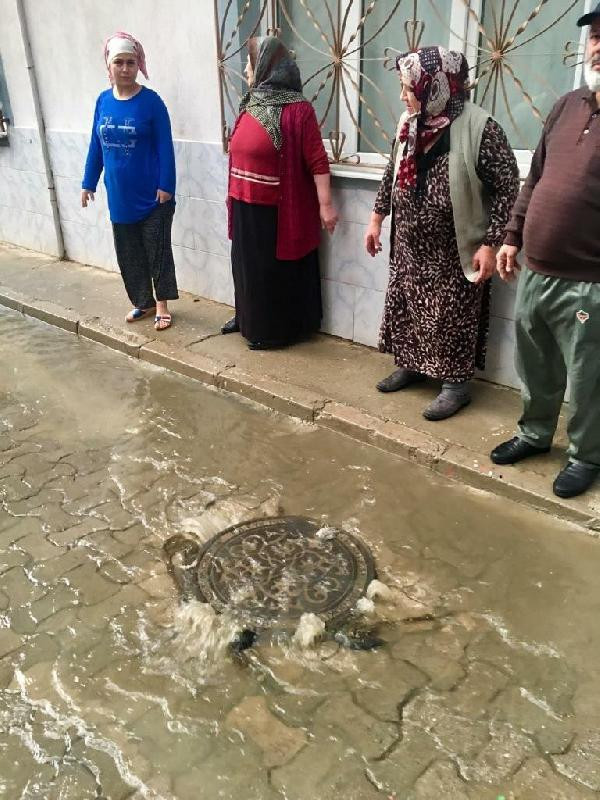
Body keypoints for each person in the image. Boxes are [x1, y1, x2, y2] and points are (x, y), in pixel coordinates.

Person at [365, 46, 519, 420]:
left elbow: (508, 185)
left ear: (435, 86)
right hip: (410, 245)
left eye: (408, 88)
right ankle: (412, 364)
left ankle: (454, 385)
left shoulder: (481, 128)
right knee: (408, 305)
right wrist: (376, 217)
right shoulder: (409, 122)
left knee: (451, 315)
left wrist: (491, 242)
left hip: (455, 247)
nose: (403, 96)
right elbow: (392, 170)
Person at [491, 7, 600, 499]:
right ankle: (535, 434)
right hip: (536, 267)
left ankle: (586, 455)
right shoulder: (567, 104)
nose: (598, 45)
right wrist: (512, 237)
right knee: (535, 364)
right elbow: (534, 175)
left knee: (588, 377)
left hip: (589, 279)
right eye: (596, 37)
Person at [222, 36, 338, 350]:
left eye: (250, 63)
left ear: (267, 66)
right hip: (245, 200)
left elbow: (317, 160)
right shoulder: (251, 100)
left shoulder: (299, 110)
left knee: (270, 272)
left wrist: (325, 205)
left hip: (277, 209)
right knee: (245, 266)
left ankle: (271, 331)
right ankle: (246, 317)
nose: (246, 69)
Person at [82, 32, 177, 331]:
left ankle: (162, 304)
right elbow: (96, 145)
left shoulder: (151, 102)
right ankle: (143, 302)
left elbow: (165, 146)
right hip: (120, 195)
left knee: (156, 250)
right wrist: (88, 182)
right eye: (119, 63)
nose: (125, 68)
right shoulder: (103, 101)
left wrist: (167, 186)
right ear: (108, 68)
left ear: (138, 65)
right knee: (129, 252)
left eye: (131, 62)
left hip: (153, 196)